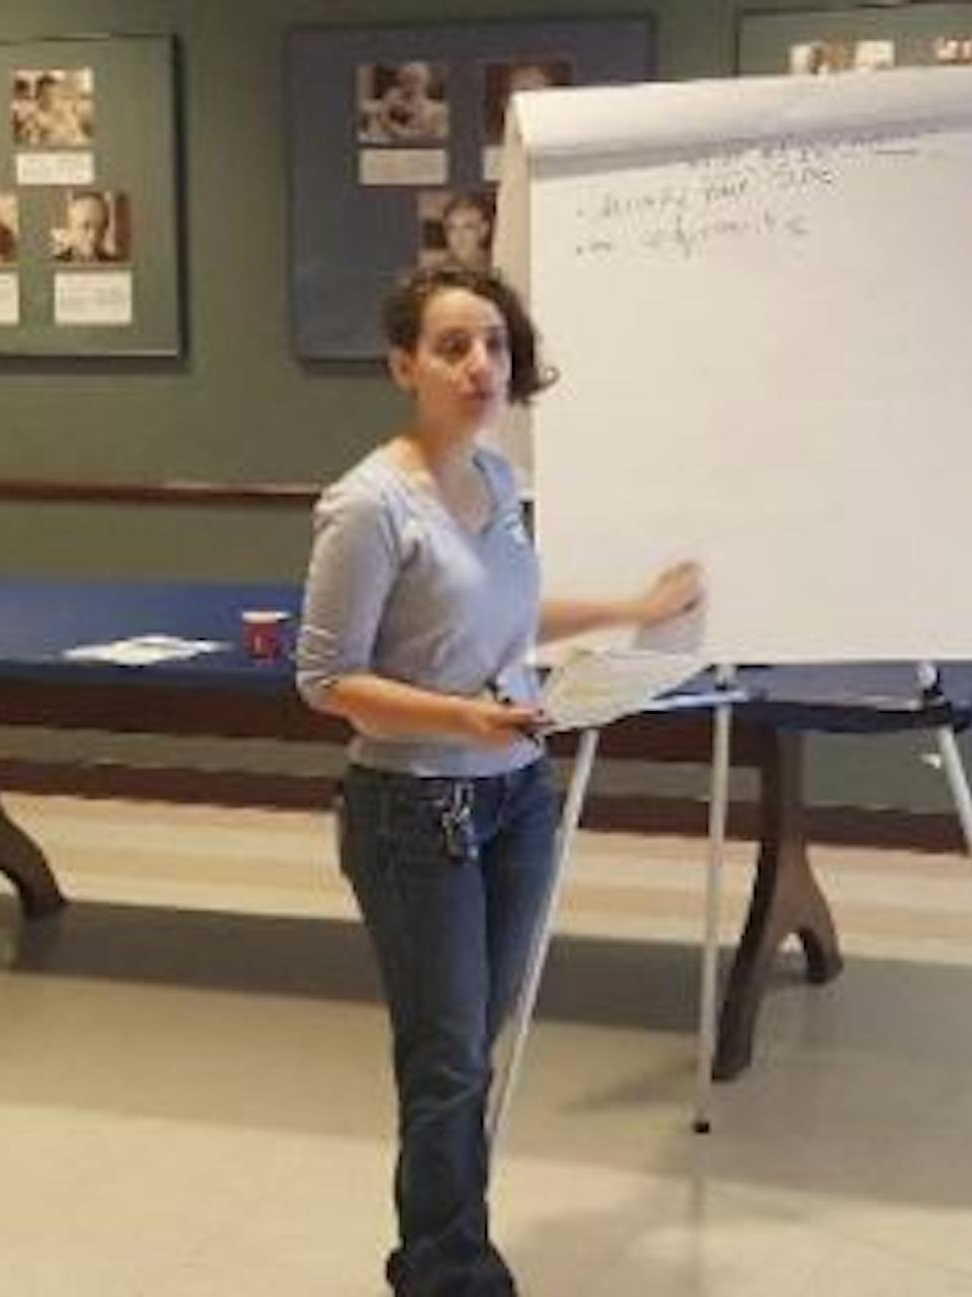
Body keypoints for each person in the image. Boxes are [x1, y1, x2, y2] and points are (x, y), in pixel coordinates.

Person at [297, 264, 699, 1297]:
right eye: (453, 346)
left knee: (471, 1040)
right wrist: (463, 716)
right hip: (414, 807)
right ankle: (447, 1270)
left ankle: (441, 1241)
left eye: (496, 346)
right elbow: (327, 679)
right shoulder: (368, 505)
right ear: (404, 365)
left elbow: (509, 616)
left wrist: (632, 606)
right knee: (447, 1059)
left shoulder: (497, 480)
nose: (481, 365)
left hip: (518, 795)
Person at [362, 61, 450, 144]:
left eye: (416, 80)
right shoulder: (389, 103)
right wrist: (385, 114)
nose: (412, 86)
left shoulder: (437, 111)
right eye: (407, 80)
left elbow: (437, 138)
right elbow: (375, 133)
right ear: (400, 81)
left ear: (426, 82)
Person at [15, 70, 91, 147]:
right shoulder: (34, 116)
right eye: (45, 92)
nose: (50, 95)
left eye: (53, 91)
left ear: (58, 92)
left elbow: (78, 134)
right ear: (40, 94)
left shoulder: (66, 110)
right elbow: (29, 140)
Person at [427, 192, 494, 272]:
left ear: (484, 230)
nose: (459, 237)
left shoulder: (499, 264)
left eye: (468, 227)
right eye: (452, 228)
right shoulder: (436, 274)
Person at [51, 190, 122, 263]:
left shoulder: (116, 263)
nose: (93, 236)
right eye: (85, 226)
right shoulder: (54, 263)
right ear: (71, 227)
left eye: (100, 227)